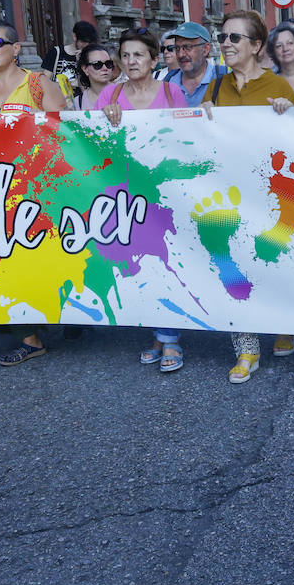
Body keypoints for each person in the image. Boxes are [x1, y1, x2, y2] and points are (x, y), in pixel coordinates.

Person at [202, 10, 294, 383]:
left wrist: (289, 114)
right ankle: (246, 348)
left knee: (271, 261)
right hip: (228, 193)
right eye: (223, 37)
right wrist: (201, 117)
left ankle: (284, 321)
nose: (225, 44)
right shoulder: (215, 87)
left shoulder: (278, 86)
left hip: (271, 195)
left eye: (234, 38)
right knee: (230, 263)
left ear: (257, 46)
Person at [0, 17, 67, 367]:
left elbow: (65, 128)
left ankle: (61, 314)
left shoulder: (37, 82)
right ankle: (29, 338)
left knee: (43, 258)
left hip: (39, 187)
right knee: (0, 263)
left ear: (15, 48)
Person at [95, 29, 190, 372]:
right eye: (126, 55)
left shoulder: (171, 91)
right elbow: (92, 140)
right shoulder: (110, 93)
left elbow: (187, 138)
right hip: (123, 191)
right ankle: (160, 334)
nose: (132, 61)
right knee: (140, 263)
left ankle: (170, 339)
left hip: (162, 191)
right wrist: (103, 119)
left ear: (153, 60)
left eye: (139, 55)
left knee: (164, 259)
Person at [159, 22, 228, 106]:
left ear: (206, 49)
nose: (181, 54)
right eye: (177, 48)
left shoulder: (223, 77)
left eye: (188, 47)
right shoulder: (168, 81)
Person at [42, 20, 99, 90]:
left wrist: (81, 62)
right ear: (75, 37)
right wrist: (69, 84)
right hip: (59, 98)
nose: (86, 45)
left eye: (89, 42)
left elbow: (87, 88)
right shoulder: (56, 52)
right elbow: (44, 82)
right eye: (83, 41)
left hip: (81, 99)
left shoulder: (92, 56)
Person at [66, 44, 116, 110]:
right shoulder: (77, 103)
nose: (105, 68)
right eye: (97, 64)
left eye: (108, 64)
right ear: (85, 69)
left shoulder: (125, 93)